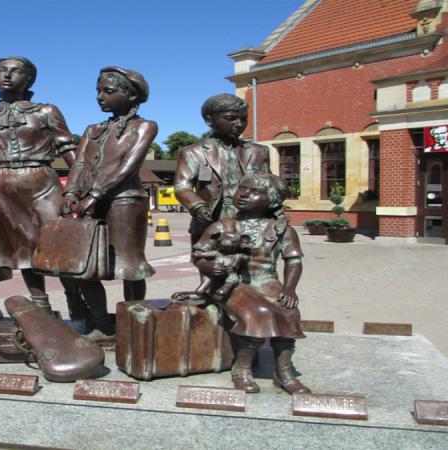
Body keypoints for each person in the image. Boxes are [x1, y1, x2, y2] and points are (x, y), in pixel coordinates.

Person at [0, 56, 82, 313]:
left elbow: (67, 147)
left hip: (42, 181)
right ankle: (40, 304)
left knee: (59, 240)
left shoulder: (46, 111)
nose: (7, 75)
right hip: (2, 186)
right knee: (23, 249)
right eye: (1, 70)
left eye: (15, 71)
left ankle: (76, 301)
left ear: (30, 79)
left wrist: (81, 184)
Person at [193, 172, 310, 395]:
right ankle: (242, 368)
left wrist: (289, 289)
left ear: (273, 199)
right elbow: (198, 255)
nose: (244, 194)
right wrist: (209, 267)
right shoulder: (222, 226)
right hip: (230, 284)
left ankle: (284, 372)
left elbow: (294, 261)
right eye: (242, 188)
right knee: (257, 312)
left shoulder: (282, 229)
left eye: (255, 191)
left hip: (267, 282)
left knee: (290, 312)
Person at [63, 66, 157, 337]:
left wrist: (95, 194)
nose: (100, 97)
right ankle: (102, 323)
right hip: (89, 202)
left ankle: (134, 323)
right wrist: (71, 193)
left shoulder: (145, 126)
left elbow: (129, 166)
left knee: (130, 265)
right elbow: (79, 163)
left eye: (108, 91)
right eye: (98, 91)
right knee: (86, 266)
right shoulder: (93, 129)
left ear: (131, 95)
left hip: (125, 200)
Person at [174, 94, 270, 243]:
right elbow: (182, 187)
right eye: (231, 118)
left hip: (251, 222)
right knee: (209, 257)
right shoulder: (193, 152)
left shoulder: (259, 151)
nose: (239, 124)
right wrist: (198, 206)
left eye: (244, 118)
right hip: (210, 221)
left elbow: (269, 185)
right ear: (209, 120)